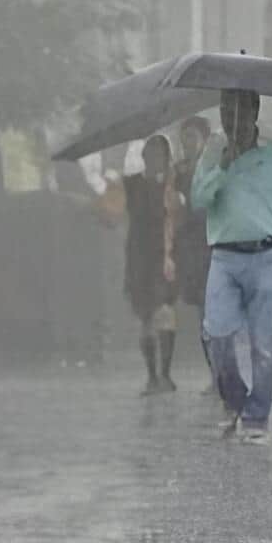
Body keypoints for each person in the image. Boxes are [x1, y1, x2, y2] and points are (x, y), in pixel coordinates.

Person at [191, 89, 272, 445]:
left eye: (239, 109)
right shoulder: (213, 150)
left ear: (255, 110)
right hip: (225, 258)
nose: (231, 117)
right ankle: (238, 403)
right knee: (218, 337)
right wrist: (223, 166)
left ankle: (257, 419)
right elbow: (197, 199)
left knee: (265, 345)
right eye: (225, 109)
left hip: (269, 256)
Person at [122, 135, 179, 395]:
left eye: (159, 155)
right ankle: (152, 376)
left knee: (164, 310)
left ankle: (165, 374)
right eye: (149, 154)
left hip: (164, 254)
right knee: (146, 315)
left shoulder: (172, 185)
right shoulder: (132, 184)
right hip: (138, 256)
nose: (153, 159)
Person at [173, 117, 216, 392]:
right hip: (191, 249)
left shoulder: (213, 170)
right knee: (203, 313)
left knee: (218, 311)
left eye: (192, 137)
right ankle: (215, 372)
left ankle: (227, 370)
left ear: (203, 141)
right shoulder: (177, 173)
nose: (187, 144)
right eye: (184, 138)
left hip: (214, 245)